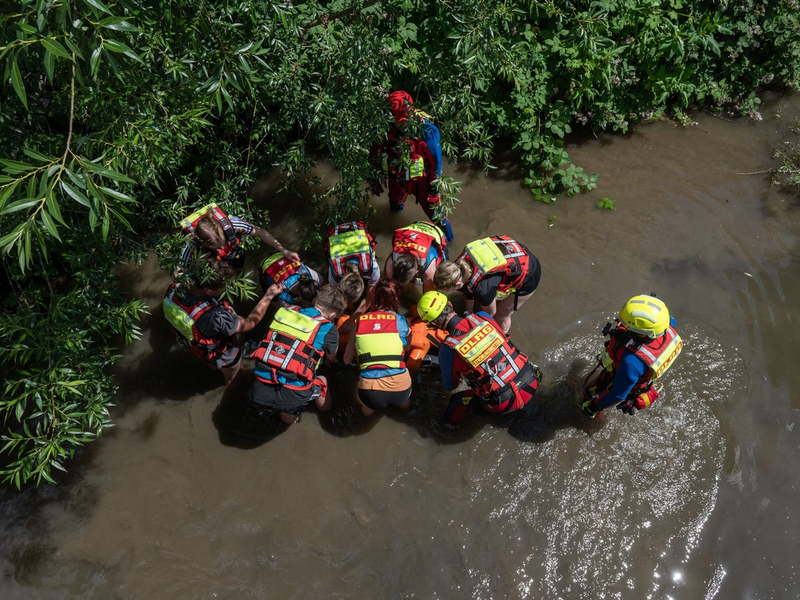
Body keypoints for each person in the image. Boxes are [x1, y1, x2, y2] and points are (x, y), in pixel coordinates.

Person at [416, 291, 542, 427]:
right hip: (531, 379)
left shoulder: (447, 350)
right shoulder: (483, 317)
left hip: (502, 402)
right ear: (450, 304)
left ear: (433, 323)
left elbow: (450, 386)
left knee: (457, 401)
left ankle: (447, 428)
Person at [163, 259, 280, 386]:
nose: (227, 288)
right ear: (208, 291)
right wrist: (269, 296)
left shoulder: (176, 287)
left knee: (212, 362)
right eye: (224, 287)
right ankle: (234, 391)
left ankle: (215, 368)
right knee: (235, 377)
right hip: (221, 354)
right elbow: (250, 323)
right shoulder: (216, 317)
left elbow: (175, 268)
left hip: (193, 343)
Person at [249, 285, 348, 425]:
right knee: (322, 381)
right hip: (292, 393)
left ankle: (281, 411)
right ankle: (323, 412)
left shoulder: (285, 311)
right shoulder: (329, 329)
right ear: (332, 315)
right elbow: (331, 357)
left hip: (259, 386)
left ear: (314, 300)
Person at [370, 91, 454, 241]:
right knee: (394, 206)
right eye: (396, 120)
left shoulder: (426, 132)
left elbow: (436, 164)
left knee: (437, 217)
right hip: (397, 179)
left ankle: (450, 243)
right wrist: (374, 178)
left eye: (402, 120)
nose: (399, 124)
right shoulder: (383, 127)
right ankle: (394, 227)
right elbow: (374, 152)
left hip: (422, 183)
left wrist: (434, 191)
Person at [581, 295, 683, 418]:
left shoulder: (631, 362)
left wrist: (592, 408)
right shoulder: (664, 324)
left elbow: (617, 395)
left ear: (641, 334)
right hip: (639, 375)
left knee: (589, 393)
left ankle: (592, 415)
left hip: (622, 378)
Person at [434, 235, 541, 333]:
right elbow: (466, 291)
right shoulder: (457, 265)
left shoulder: (482, 290)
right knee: (476, 296)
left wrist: (474, 327)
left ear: (457, 284)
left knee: (501, 315)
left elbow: (489, 314)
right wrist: (468, 312)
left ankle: (503, 336)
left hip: (529, 272)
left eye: (450, 289)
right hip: (513, 250)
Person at [342, 278, 412, 416]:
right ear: (397, 299)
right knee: (405, 403)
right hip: (401, 389)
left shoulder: (360, 322)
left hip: (371, 393)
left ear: (373, 297)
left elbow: (346, 360)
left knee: (367, 411)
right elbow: (407, 347)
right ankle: (404, 407)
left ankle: (368, 412)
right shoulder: (403, 322)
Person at [179, 202, 299, 269]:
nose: (221, 248)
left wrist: (284, 250)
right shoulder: (191, 243)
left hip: (230, 254)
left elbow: (260, 232)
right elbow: (179, 268)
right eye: (217, 247)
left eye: (222, 242)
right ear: (203, 243)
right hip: (211, 261)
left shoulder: (233, 225)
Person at [324, 220, 380, 303]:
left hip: (356, 235)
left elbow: (369, 296)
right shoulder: (333, 277)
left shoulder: (374, 270)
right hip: (339, 238)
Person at [384, 220, 448, 293]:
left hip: (434, 232)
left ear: (416, 271)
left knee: (441, 276)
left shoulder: (429, 270)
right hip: (413, 228)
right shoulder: (391, 262)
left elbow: (429, 293)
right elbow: (389, 284)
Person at [258, 252, 324, 307]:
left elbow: (324, 284)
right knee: (274, 301)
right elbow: (286, 311)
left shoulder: (312, 275)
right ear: (300, 298)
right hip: (266, 268)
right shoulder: (284, 298)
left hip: (281, 255)